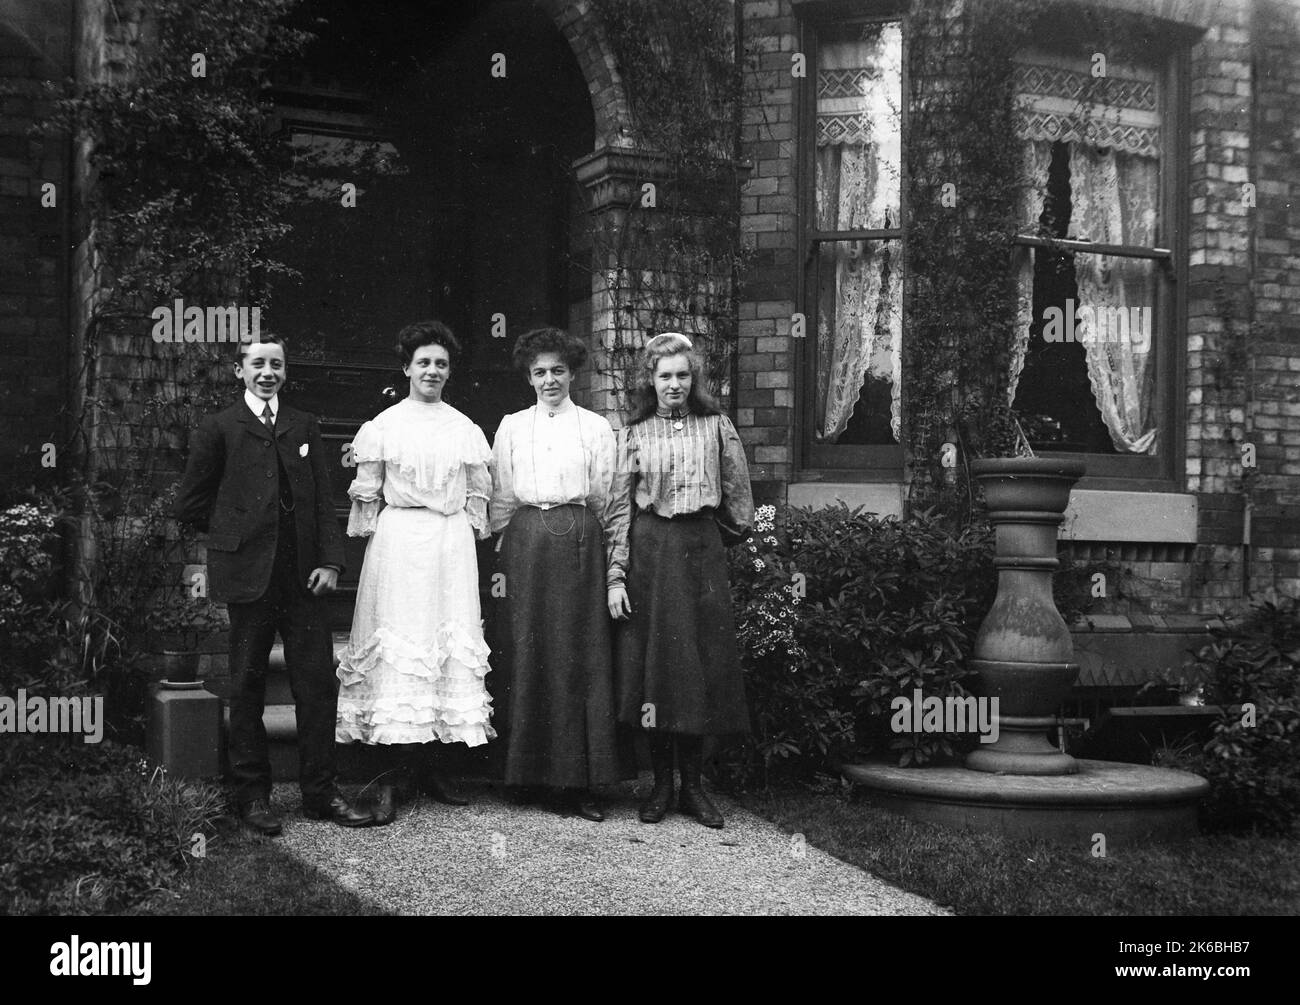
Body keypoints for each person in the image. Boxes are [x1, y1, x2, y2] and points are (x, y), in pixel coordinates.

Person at [175, 333, 373, 834]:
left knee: (316, 685)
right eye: (257, 364)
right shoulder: (220, 427)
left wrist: (330, 562)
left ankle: (320, 793)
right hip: (248, 578)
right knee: (245, 685)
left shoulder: (303, 423)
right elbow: (192, 505)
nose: (267, 372)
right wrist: (236, 540)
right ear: (239, 370)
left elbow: (325, 502)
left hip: (304, 578)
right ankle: (253, 796)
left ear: (286, 371)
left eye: (276, 364)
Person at [335, 320, 496, 824]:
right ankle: (389, 778)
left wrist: (465, 533)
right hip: (400, 542)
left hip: (448, 544)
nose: (432, 371)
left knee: (443, 650)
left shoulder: (465, 429)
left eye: (441, 364)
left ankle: (433, 768)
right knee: (400, 651)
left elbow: (476, 500)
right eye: (423, 362)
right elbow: (367, 495)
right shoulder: (383, 427)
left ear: (449, 372)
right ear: (406, 368)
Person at [608, 332, 754, 829]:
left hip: (700, 555)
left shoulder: (717, 428)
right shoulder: (633, 434)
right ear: (652, 381)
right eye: (665, 375)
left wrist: (708, 542)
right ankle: (660, 785)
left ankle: (693, 787)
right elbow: (619, 510)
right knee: (657, 670)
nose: (674, 384)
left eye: (683, 375)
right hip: (650, 554)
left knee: (699, 669)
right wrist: (617, 574)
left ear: (694, 379)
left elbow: (738, 503)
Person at [489, 327, 625, 821]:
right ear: (529, 377)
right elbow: (501, 493)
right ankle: (524, 773)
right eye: (540, 372)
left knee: (574, 653)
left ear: (572, 373)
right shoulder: (510, 426)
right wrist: (503, 544)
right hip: (524, 542)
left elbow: (605, 494)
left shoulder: (594, 427)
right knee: (526, 649)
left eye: (558, 371)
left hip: (578, 539)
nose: (549, 380)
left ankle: (575, 780)